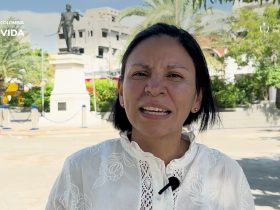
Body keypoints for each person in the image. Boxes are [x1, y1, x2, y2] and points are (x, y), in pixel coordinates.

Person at [46, 23, 255, 210]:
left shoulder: (226, 174)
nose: (154, 89)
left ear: (197, 98)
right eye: (140, 74)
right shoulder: (80, 170)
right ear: (120, 91)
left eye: (174, 75)